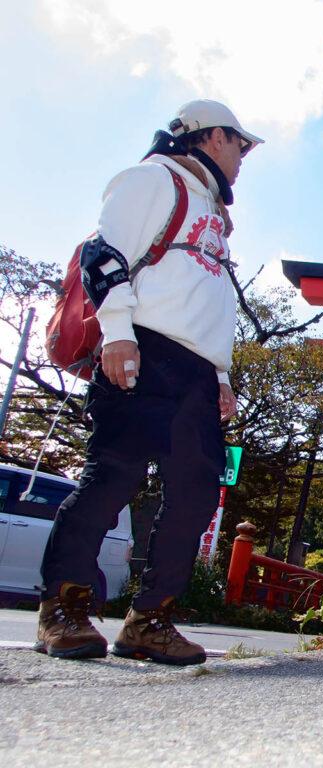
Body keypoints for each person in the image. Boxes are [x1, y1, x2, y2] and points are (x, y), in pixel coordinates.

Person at [36, 99, 263, 666]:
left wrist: (219, 374)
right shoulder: (152, 179)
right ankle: (62, 606)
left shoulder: (214, 215)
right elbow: (103, 254)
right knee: (114, 476)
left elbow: (202, 299)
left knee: (194, 494)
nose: (244, 157)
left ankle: (150, 618)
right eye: (241, 144)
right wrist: (116, 333)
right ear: (213, 137)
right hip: (143, 348)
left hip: (195, 372)